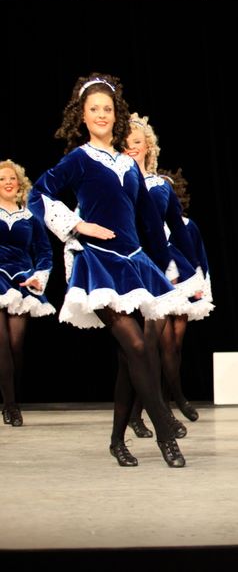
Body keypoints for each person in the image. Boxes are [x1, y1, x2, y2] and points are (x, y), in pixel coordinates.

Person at [28, 74, 188, 467]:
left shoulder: (128, 165)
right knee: (137, 347)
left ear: (116, 115)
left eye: (107, 109)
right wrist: (78, 225)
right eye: (94, 109)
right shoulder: (79, 159)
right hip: (96, 263)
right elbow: (38, 194)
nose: (101, 114)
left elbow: (149, 223)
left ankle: (117, 441)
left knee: (129, 358)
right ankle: (166, 434)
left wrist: (163, 266)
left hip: (133, 263)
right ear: (82, 116)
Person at [123, 117, 209, 438]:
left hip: (158, 270)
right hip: (127, 269)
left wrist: (192, 275)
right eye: (125, 144)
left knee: (150, 345)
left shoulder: (160, 186)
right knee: (136, 350)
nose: (130, 148)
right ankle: (141, 415)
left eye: (136, 142)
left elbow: (178, 230)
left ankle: (152, 413)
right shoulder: (115, 181)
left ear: (148, 146)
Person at [0, 159, 55, 426]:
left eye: (11, 178)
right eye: (2, 179)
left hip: (21, 280)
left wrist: (39, 277)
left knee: (15, 346)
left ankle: (12, 399)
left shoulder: (30, 216)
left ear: (19, 183)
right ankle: (11, 406)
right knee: (1, 345)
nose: (8, 182)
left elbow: (44, 252)